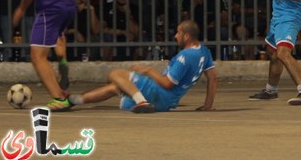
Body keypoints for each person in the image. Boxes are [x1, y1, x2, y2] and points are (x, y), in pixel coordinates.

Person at [68, 20, 218, 113]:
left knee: (116, 74)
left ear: (186, 36)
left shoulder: (184, 57)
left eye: (178, 33)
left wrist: (149, 70)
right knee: (117, 87)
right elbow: (213, 78)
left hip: (158, 93)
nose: (175, 36)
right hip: (167, 102)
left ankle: (141, 101)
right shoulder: (204, 51)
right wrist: (208, 105)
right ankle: (74, 100)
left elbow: (167, 83)